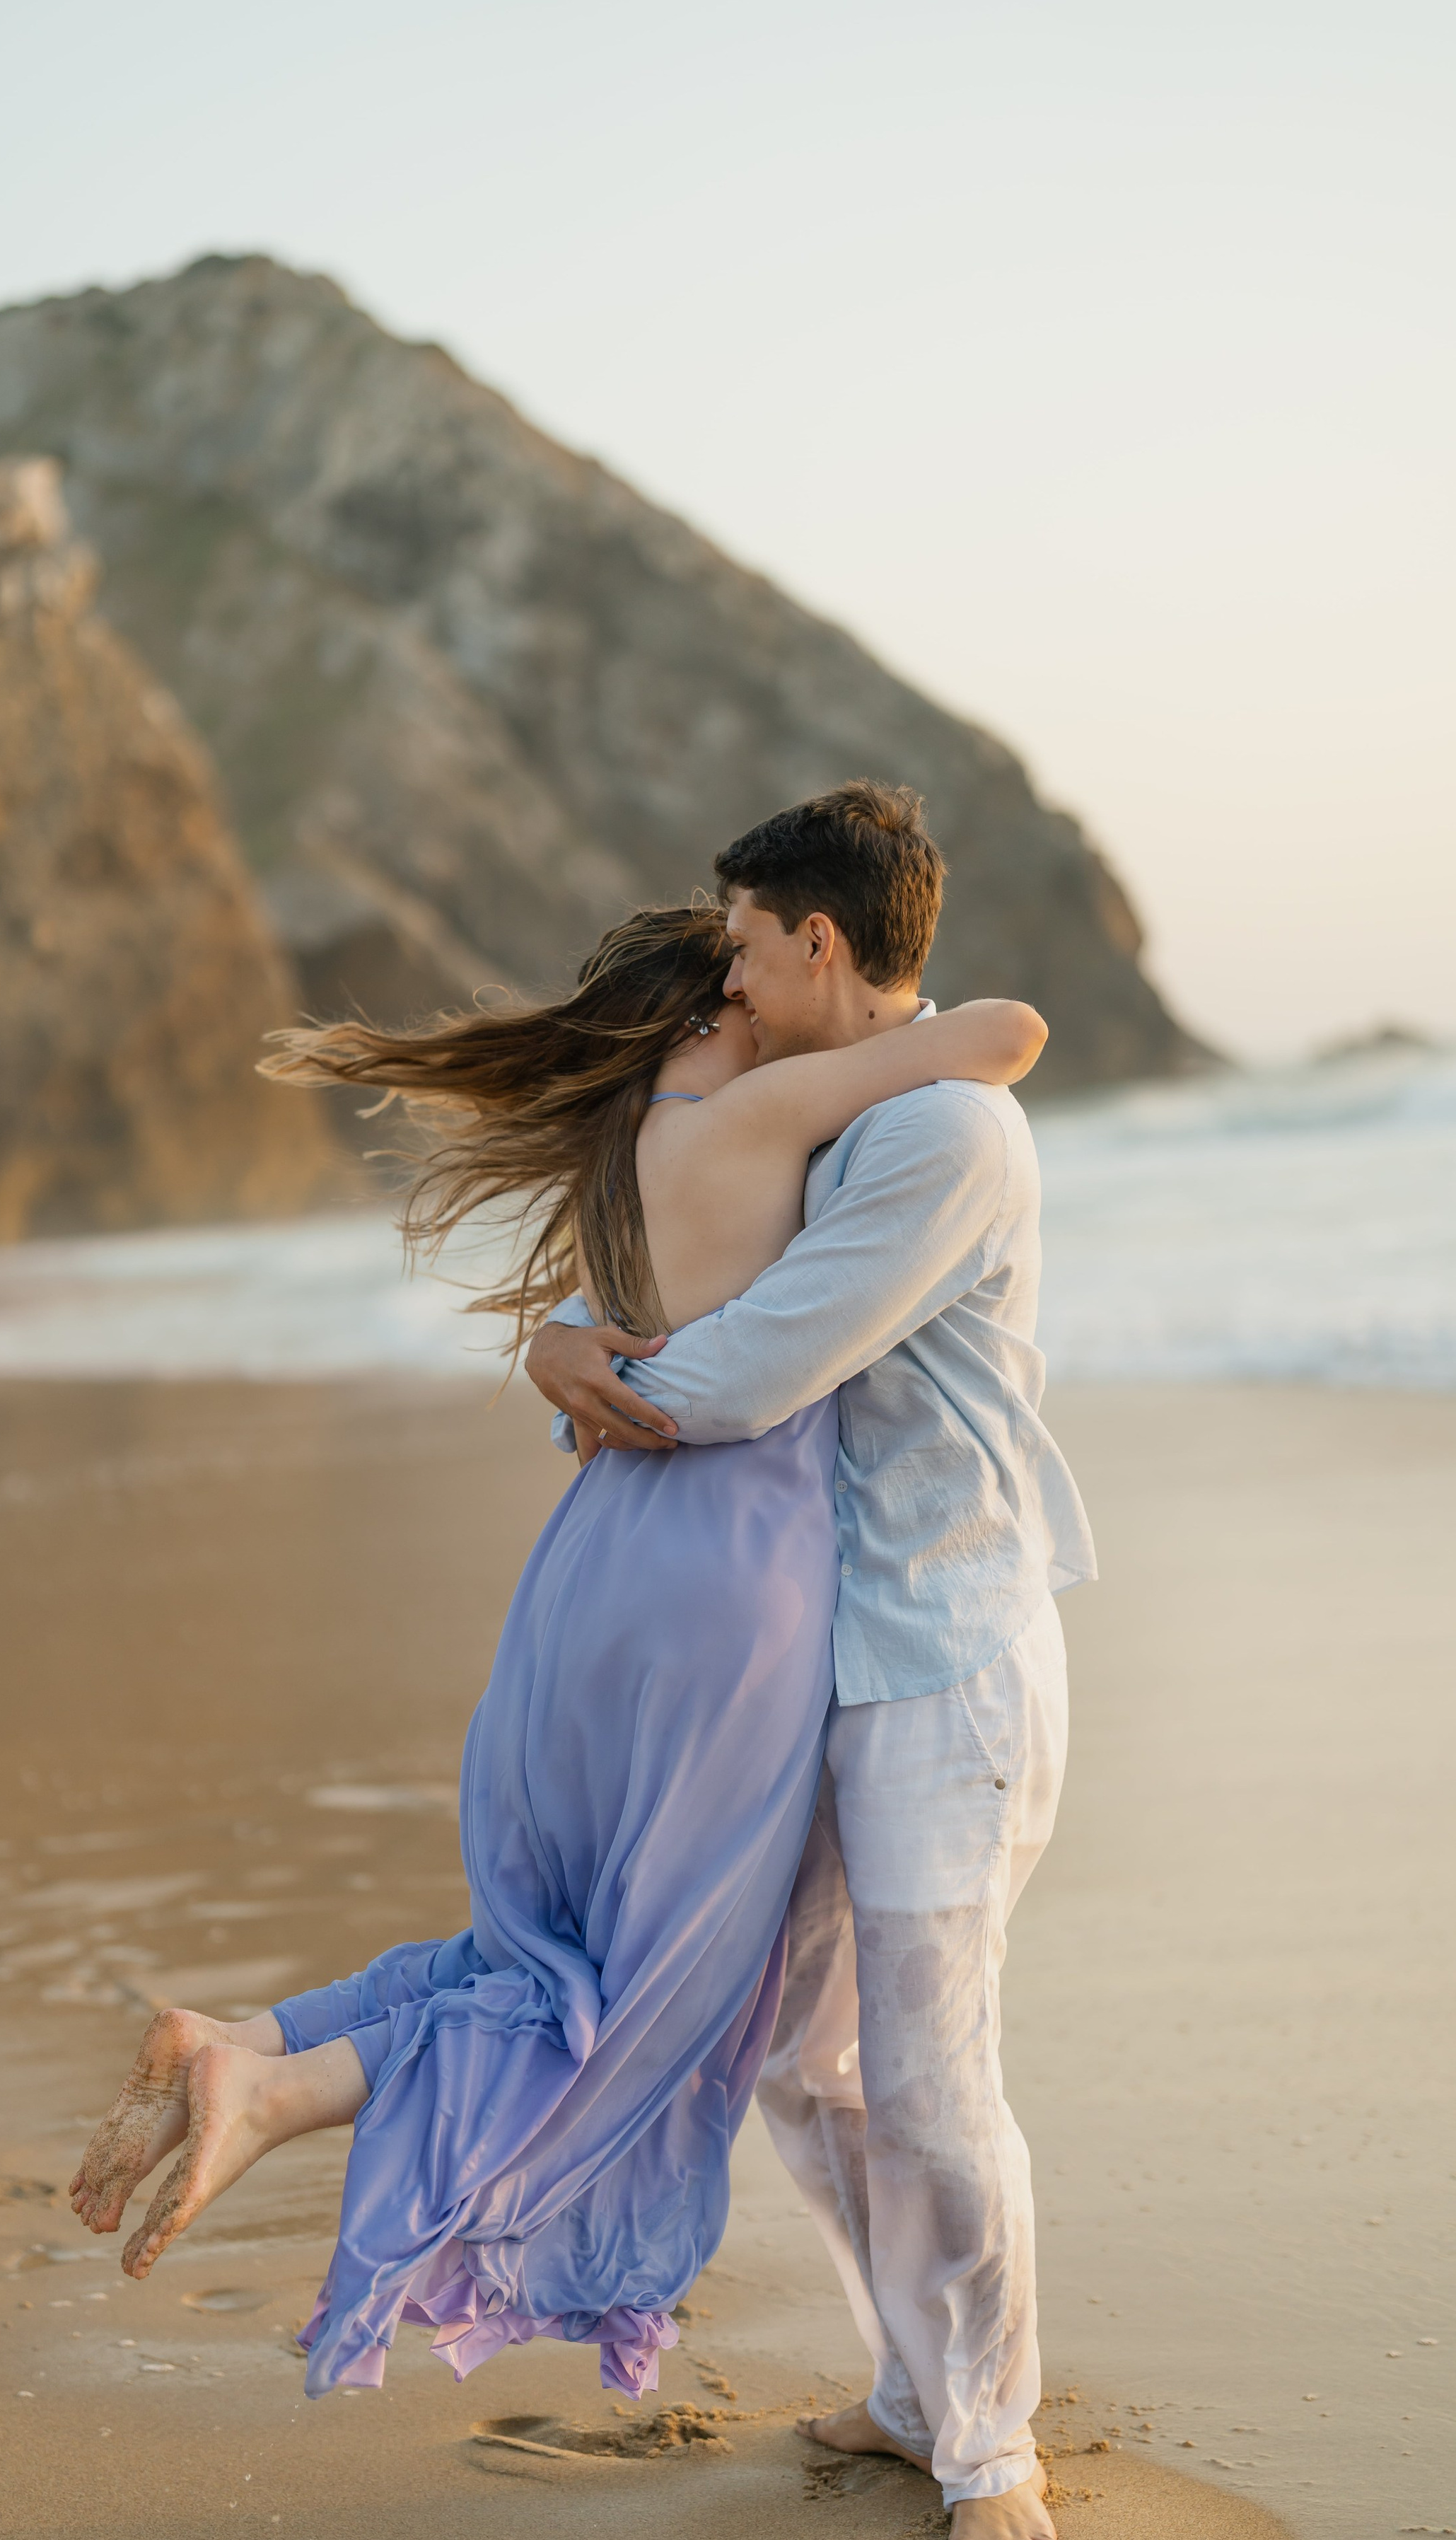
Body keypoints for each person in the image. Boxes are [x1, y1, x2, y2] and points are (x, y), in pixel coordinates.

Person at [67, 893, 1045, 2423]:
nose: (747, 981)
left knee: (541, 1953)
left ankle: (252, 2036)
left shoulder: (638, 1158)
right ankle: (280, 2086)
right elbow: (1001, 1038)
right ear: (705, 1014)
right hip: (722, 1607)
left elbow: (623, 1325)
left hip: (586, 1578)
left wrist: (555, 1349)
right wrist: (863, 1024)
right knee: (637, 2001)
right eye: (725, 970)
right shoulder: (765, 1115)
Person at [524, 779, 1095, 2540]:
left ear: (821, 942)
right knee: (798, 2049)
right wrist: (558, 1337)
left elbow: (744, 1371)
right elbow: (652, 1276)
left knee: (927, 2071)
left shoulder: (940, 1139)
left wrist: (596, 1380)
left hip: (943, 1660)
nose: (737, 978)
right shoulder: (831, 1110)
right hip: (822, 1659)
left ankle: (986, 2436)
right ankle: (918, 2377)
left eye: (752, 946)